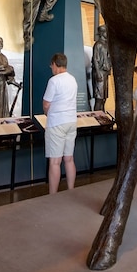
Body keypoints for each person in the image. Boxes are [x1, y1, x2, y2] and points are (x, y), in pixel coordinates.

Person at [43, 52, 77, 194]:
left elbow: (46, 104)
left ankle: (53, 196)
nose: (52, 69)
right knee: (69, 159)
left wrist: (47, 113)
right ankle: (71, 190)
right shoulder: (72, 79)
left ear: (56, 65)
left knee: (55, 161)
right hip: (71, 121)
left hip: (57, 123)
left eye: (52, 66)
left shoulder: (54, 81)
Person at [91, 25, 112, 111]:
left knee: (104, 98)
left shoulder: (106, 44)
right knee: (99, 98)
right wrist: (98, 73)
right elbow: (95, 59)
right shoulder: (98, 44)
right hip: (100, 72)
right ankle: (96, 118)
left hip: (105, 73)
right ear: (102, 33)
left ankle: (103, 117)